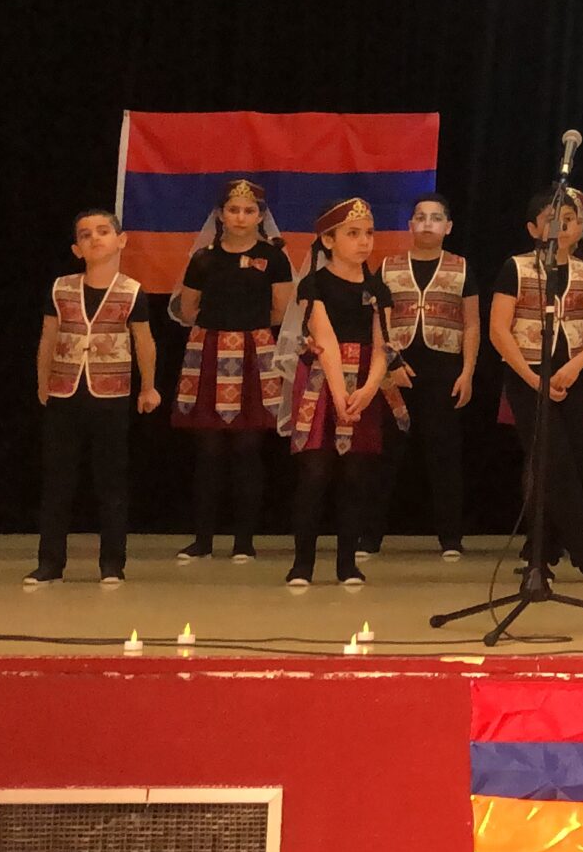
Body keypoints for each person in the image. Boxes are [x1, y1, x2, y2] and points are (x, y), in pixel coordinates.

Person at [488, 187, 583, 582]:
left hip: (572, 376)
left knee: (570, 462)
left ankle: (541, 552)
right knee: (552, 464)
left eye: (570, 218)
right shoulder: (516, 267)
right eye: (552, 217)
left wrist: (574, 368)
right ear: (534, 227)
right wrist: (534, 378)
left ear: (580, 227)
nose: (561, 224)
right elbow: (500, 330)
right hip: (527, 375)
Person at [30, 209, 160, 585]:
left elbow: (144, 341)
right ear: (76, 248)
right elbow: (48, 338)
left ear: (121, 240)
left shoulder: (132, 291)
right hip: (65, 391)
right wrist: (43, 381)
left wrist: (148, 385)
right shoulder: (60, 288)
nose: (95, 239)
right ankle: (50, 562)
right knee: (57, 481)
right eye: (86, 235)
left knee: (111, 481)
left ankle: (112, 563)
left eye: (104, 231)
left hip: (111, 395)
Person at [284, 198, 409, 587]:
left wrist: (370, 389)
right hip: (325, 384)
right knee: (315, 474)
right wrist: (341, 399)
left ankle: (346, 564)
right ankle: (302, 563)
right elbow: (326, 343)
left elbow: (382, 343)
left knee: (356, 477)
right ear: (328, 239)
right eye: (353, 234)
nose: (363, 242)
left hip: (364, 389)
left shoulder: (377, 287)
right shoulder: (315, 284)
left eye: (368, 233)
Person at [167, 178, 290, 563]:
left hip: (255, 353)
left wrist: (247, 331)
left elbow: (281, 310)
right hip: (208, 351)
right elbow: (188, 309)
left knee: (248, 448)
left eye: (249, 210)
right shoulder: (203, 257)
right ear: (221, 215)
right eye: (233, 209)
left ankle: (244, 542)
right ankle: (202, 540)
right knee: (208, 450)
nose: (241, 217)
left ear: (260, 216)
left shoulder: (275, 258)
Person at [370, 194, 478, 559]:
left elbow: (472, 322)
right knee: (384, 454)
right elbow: (377, 322)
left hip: (443, 369)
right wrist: (388, 362)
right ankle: (369, 537)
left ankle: (450, 538)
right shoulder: (387, 266)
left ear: (448, 227)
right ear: (410, 225)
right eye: (420, 217)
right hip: (395, 369)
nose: (427, 223)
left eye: (435, 217)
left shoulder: (462, 267)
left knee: (444, 455)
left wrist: (467, 371)